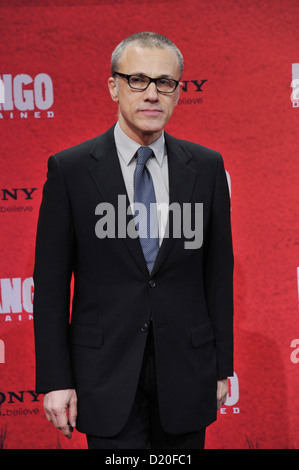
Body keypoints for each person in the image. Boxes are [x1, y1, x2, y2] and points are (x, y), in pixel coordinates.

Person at [33, 32, 234, 450]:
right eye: (138, 80)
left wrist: (221, 367)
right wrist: (55, 380)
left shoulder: (207, 167)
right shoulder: (70, 171)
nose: (152, 94)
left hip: (187, 370)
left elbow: (218, 276)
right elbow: (50, 286)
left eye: (166, 83)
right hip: (104, 374)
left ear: (179, 92)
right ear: (114, 86)